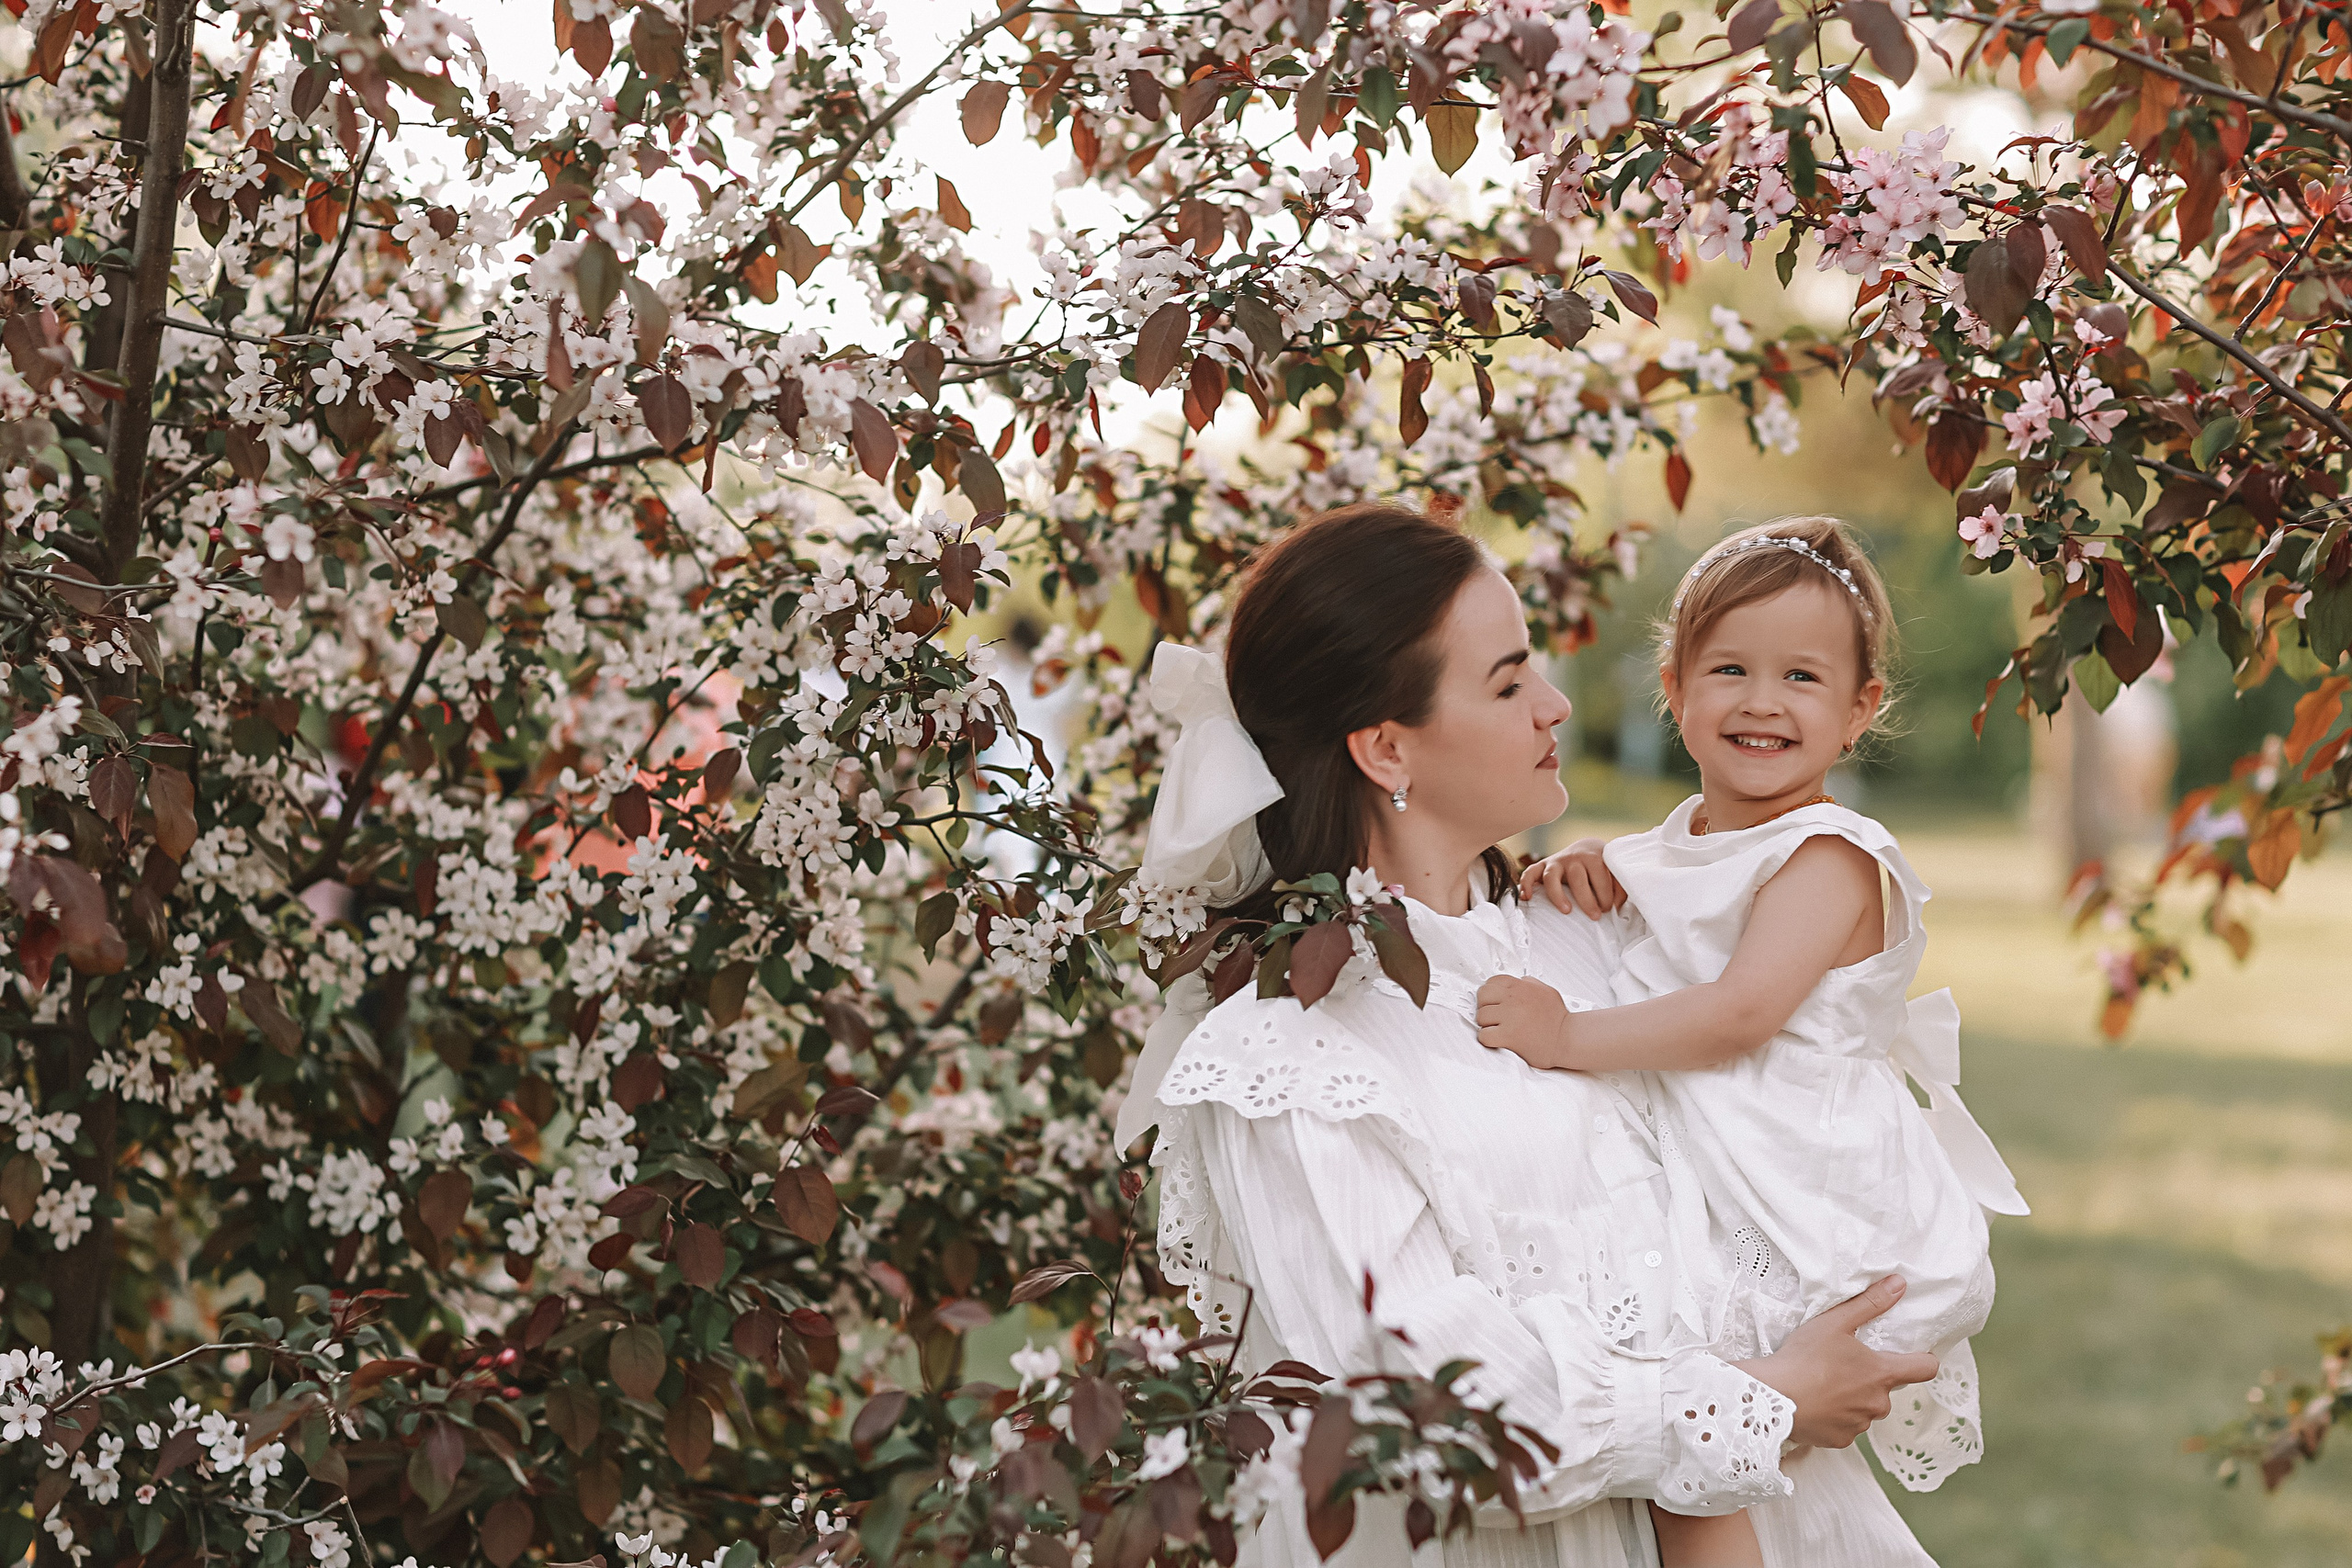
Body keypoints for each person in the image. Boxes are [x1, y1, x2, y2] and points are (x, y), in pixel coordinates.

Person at [1118, 503, 1945, 1568]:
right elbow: (1428, 1413)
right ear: (1385, 748)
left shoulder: (1590, 945)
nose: (1556, 703)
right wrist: (1761, 1400)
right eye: (1509, 683)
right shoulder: (1293, 1055)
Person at [1483, 518, 2030, 1564]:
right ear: (1676, 688)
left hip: (1808, 1193)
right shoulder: (1688, 834)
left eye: (1802, 677)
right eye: (1728, 668)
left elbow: (1737, 1015)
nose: (1762, 701)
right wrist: (1592, 867)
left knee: (1702, 1410)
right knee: (1695, 1437)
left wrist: (1563, 1035)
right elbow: (1667, 895)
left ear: (1859, 708)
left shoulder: (1829, 853)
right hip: (1734, 1165)